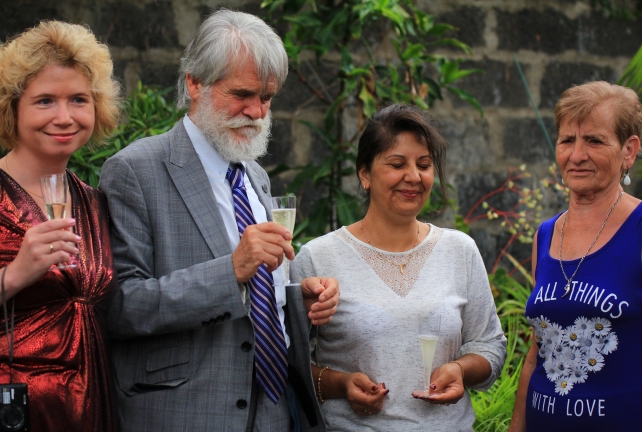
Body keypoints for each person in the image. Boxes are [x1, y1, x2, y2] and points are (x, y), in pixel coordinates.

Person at [99, 9, 338, 432]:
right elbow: (120, 306)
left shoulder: (255, 176)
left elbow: (259, 294)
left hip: (274, 410)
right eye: (242, 93)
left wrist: (296, 299)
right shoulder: (135, 169)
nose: (257, 111)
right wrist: (230, 271)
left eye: (267, 97)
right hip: (185, 414)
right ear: (195, 83)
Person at [292, 103, 506, 431]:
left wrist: (461, 370)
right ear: (364, 174)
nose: (414, 177)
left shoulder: (459, 250)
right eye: (397, 164)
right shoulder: (319, 258)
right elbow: (289, 362)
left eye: (424, 165)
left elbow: (489, 345)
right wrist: (341, 384)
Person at [0, 21, 121, 431]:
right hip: (14, 414)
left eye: (79, 100)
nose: (64, 117)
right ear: (11, 108)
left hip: (92, 409)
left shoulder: (96, 202)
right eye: (45, 101)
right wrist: (16, 274)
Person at [509, 81, 642, 431]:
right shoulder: (545, 235)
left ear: (629, 150)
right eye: (567, 140)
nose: (577, 155)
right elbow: (538, 351)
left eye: (595, 141)